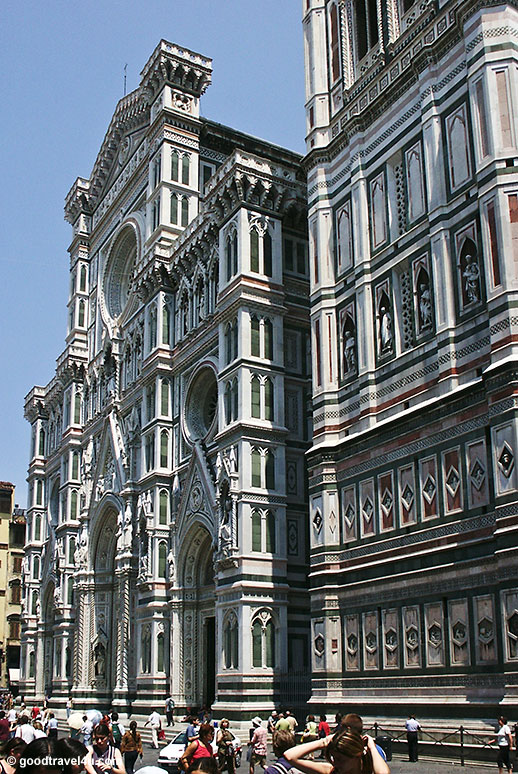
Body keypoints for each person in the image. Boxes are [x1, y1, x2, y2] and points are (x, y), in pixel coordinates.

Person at [283, 725, 390, 774]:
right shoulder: (331, 771)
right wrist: (324, 742)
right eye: (334, 758)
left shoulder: (369, 771)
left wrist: (372, 747)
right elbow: (290, 756)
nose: (336, 763)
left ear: (356, 755)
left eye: (340, 759)